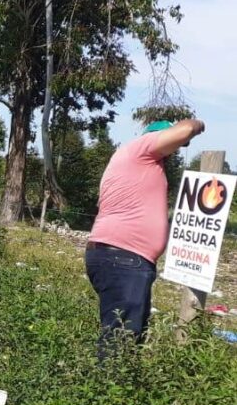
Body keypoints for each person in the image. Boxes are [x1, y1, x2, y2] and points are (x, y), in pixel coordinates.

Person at [86, 119, 205, 357]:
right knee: (121, 339)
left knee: (126, 333)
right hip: (124, 258)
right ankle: (107, 391)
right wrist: (198, 124)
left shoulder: (133, 162)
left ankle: (111, 387)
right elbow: (186, 129)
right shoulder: (141, 148)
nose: (172, 153)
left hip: (121, 258)